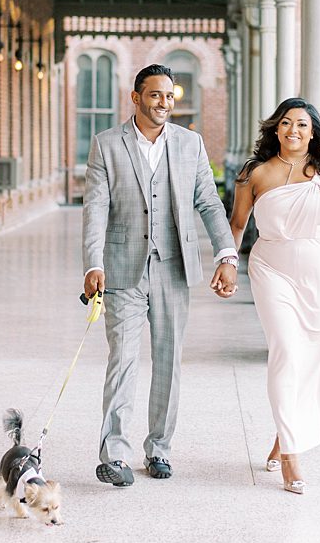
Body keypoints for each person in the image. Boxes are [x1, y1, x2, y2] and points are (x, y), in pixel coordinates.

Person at [81, 64, 238, 487]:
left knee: (168, 362)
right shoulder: (106, 145)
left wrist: (227, 253)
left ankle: (159, 449)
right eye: (155, 95)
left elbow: (208, 202)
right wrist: (93, 263)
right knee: (123, 360)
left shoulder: (191, 144)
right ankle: (114, 454)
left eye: (169, 96)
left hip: (173, 268)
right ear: (136, 98)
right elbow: (96, 208)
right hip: (122, 270)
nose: (164, 103)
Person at [229, 97, 320, 495]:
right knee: (286, 350)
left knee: (308, 364)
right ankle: (291, 457)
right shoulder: (255, 173)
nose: (293, 131)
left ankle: (283, 436)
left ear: (313, 131)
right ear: (275, 128)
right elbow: (237, 224)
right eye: (286, 123)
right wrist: (227, 264)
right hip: (271, 269)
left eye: (302, 125)